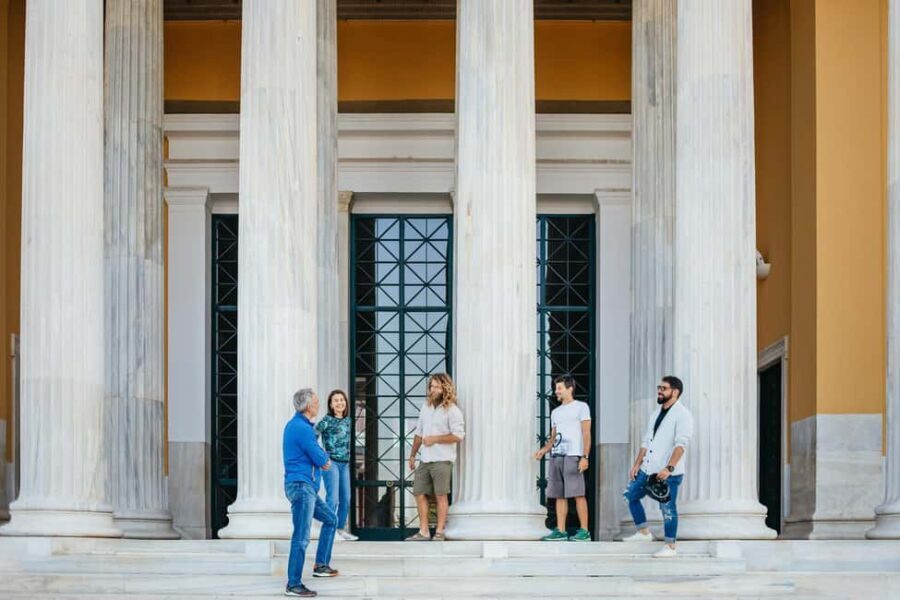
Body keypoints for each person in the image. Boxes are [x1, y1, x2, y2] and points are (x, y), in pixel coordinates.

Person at [622, 375, 693, 558]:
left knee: (667, 508)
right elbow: (646, 441)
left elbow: (681, 445)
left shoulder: (683, 414)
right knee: (629, 495)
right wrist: (636, 464)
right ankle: (643, 532)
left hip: (668, 473)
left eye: (664, 388)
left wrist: (669, 468)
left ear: (675, 392)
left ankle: (670, 546)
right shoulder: (655, 413)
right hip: (647, 468)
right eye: (659, 388)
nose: (659, 391)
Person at [283, 388, 340, 598]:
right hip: (302, 487)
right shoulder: (302, 428)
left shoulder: (299, 426)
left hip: (306, 488)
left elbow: (317, 456)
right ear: (308, 406)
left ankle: (320, 565)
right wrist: (324, 458)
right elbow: (321, 458)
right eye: (316, 402)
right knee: (301, 536)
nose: (318, 405)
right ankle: (293, 584)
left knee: (331, 519)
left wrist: (321, 458)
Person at [406, 373, 465, 541]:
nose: (433, 389)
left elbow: (459, 435)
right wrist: (412, 455)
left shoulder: (453, 410)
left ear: (445, 388)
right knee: (419, 492)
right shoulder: (426, 407)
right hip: (425, 459)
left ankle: (439, 531)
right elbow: (419, 433)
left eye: (437, 386)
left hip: (442, 459)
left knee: (440, 495)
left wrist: (435, 439)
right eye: (431, 386)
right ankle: (424, 531)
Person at [533, 375, 592, 541]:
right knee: (559, 495)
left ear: (569, 388)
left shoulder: (581, 407)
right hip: (556, 456)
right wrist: (544, 450)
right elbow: (553, 437)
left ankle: (584, 531)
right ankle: (561, 530)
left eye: (559, 388)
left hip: (574, 455)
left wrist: (585, 457)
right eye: (556, 388)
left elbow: (586, 433)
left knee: (578, 494)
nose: (556, 391)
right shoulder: (555, 412)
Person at [316, 389, 358, 541]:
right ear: (331, 405)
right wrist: (321, 457)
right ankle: (329, 530)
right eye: (336, 400)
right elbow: (312, 437)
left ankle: (340, 529)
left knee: (346, 499)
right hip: (331, 463)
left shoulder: (348, 421)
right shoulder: (326, 420)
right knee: (332, 499)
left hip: (344, 464)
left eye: (342, 400)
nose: (340, 403)